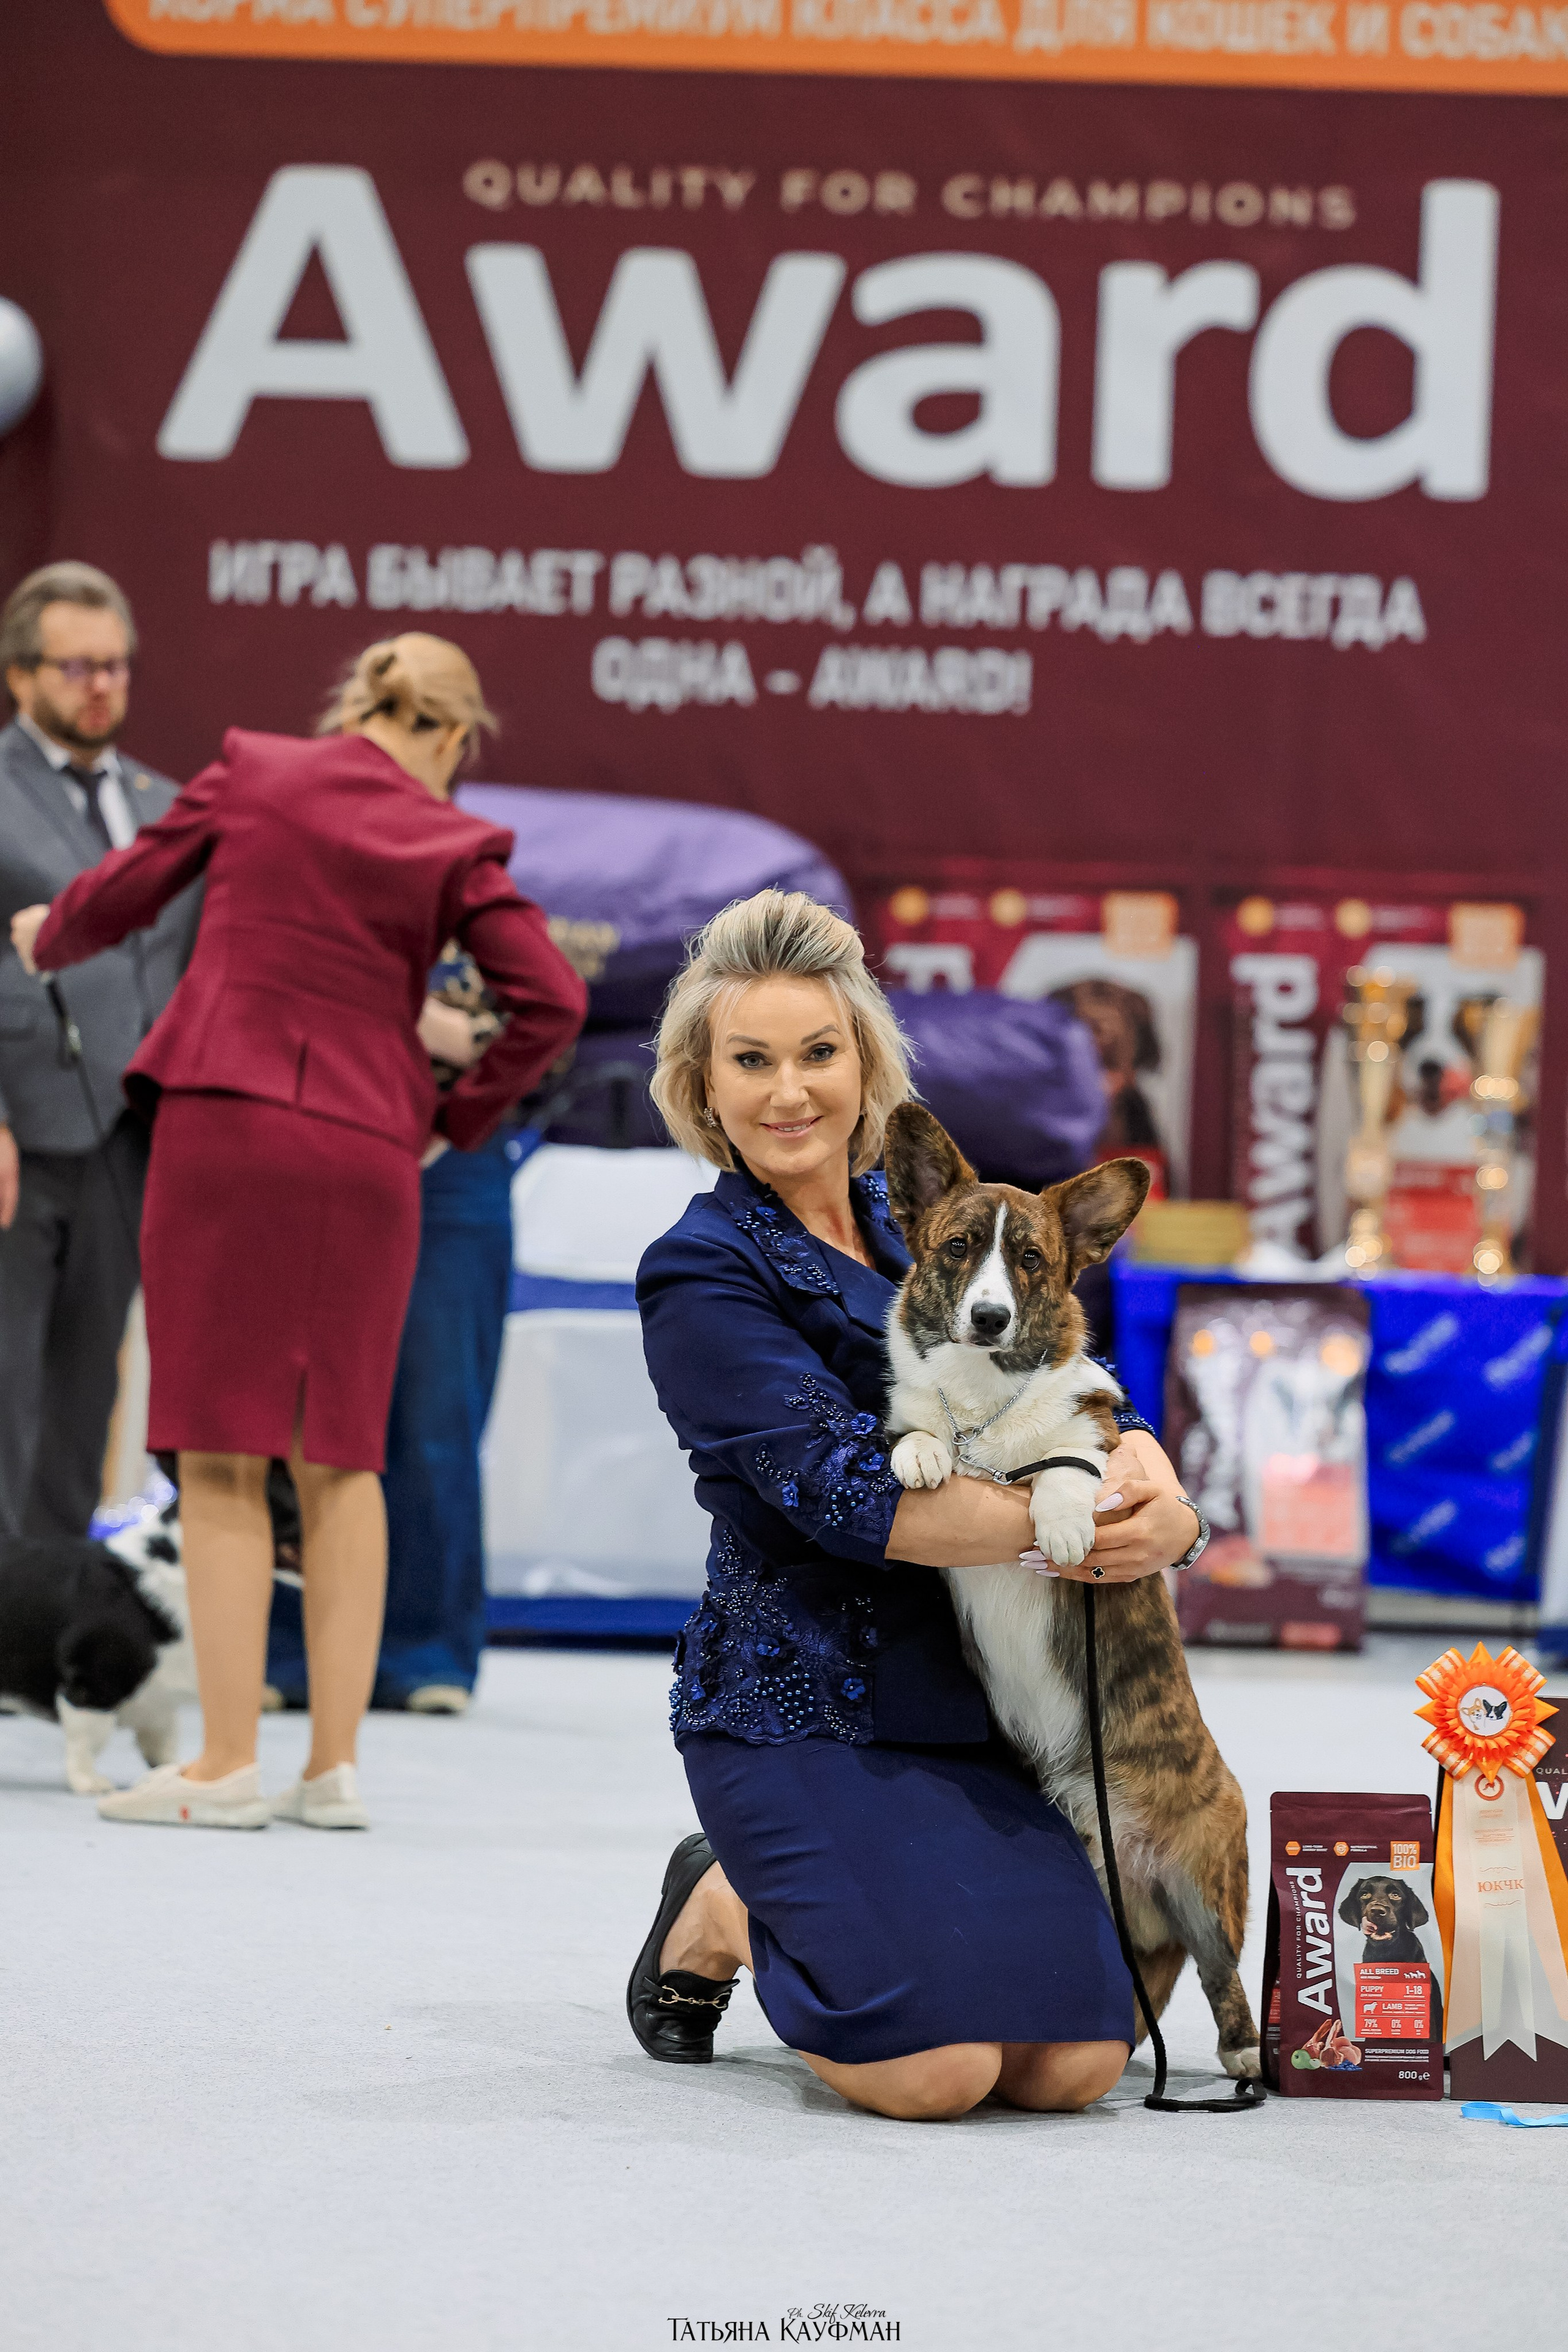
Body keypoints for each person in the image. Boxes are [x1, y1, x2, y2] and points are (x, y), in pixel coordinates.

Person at [628, 891, 1202, 2122]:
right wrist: (1086, 1521)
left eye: (819, 1054)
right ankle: (726, 1902)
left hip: (966, 1704)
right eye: (752, 1061)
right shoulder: (703, 1267)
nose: (790, 1090)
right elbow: (848, 1500)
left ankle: (802, 1904)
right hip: (798, 1706)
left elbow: (1064, 1376)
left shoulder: (936, 1229)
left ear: (864, 1066)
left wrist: (1155, 1490)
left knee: (1073, 2066)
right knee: (929, 2074)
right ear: (703, 1085)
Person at [10, 634, 587, 1830]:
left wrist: (44, 935)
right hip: (370, 1146)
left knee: (219, 1447)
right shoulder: (448, 837)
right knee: (341, 1454)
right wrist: (450, 1119)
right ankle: (331, 1770)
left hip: (227, 1127)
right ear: (453, 735)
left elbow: (124, 892)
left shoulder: (255, 770)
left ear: (356, 704)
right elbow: (553, 999)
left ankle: (225, 1764)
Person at [0, 561, 201, 1539]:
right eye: (76, 666)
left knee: (87, 1388)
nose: (101, 685)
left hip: (132, 1134)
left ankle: (36, 1633)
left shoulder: (167, 803)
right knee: (5, 1384)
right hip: (19, 1129)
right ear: (20, 674)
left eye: (115, 665)